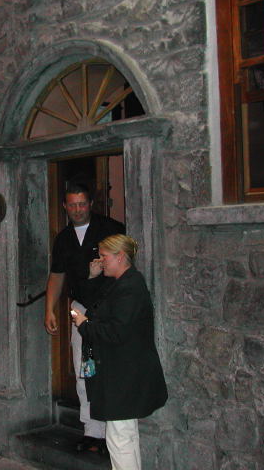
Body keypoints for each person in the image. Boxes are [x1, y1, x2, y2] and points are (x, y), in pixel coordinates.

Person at [71, 234, 168, 470]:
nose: (100, 260)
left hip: (124, 374)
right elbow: (97, 304)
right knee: (124, 434)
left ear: (120, 256)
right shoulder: (119, 282)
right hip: (120, 372)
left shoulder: (130, 287)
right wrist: (92, 277)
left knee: (119, 437)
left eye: (104, 256)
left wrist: (84, 325)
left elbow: (117, 331)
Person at [44, 182, 124, 455]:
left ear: (90, 204)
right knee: (84, 371)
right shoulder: (64, 239)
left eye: (82, 204)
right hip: (80, 310)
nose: (77, 210)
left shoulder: (111, 229)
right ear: (65, 207)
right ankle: (92, 431)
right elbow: (57, 275)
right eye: (72, 205)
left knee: (110, 371)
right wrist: (49, 309)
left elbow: (128, 264)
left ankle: (114, 432)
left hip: (109, 310)